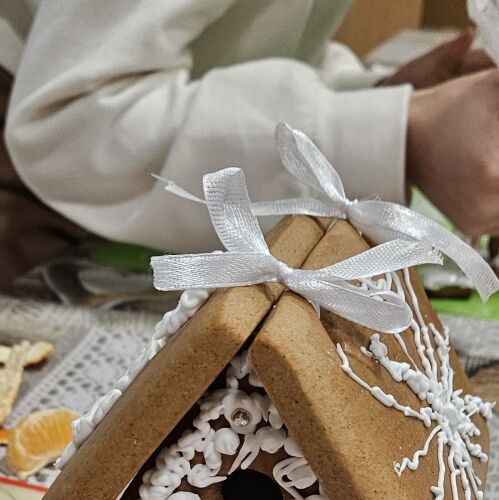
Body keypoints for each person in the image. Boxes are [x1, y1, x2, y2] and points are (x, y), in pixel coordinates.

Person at [0, 0, 497, 290]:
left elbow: (256, 34)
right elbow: (73, 122)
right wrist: (398, 132)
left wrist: (378, 99)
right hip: (41, 181)